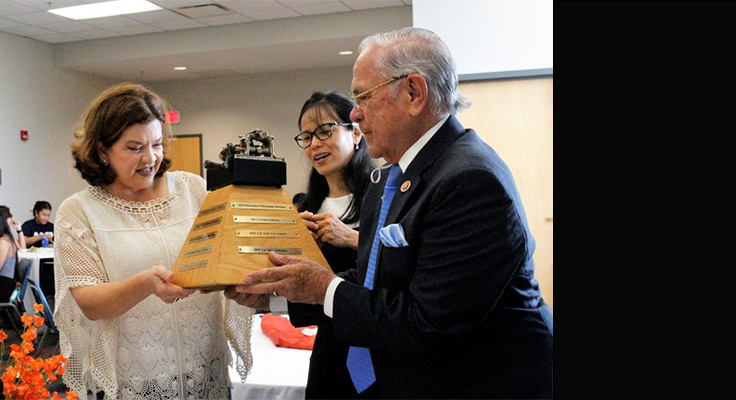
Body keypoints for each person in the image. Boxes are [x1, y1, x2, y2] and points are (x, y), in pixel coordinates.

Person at [231, 28, 553, 399]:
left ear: (414, 93)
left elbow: (426, 322)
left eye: (363, 96)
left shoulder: (469, 179)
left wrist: (322, 287)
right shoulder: (394, 175)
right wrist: (280, 296)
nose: (355, 113)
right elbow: (377, 277)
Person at [53, 83, 254, 399]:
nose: (151, 158)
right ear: (102, 150)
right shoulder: (79, 211)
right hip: (135, 378)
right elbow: (89, 301)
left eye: (157, 144)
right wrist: (144, 284)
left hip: (205, 367)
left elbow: (228, 256)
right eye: (134, 148)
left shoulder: (193, 190)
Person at [290, 91, 376, 398]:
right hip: (329, 350)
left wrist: (351, 238)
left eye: (325, 131)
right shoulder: (302, 206)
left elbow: (395, 271)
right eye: (307, 136)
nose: (315, 144)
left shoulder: (383, 197)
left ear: (355, 133)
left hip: (379, 348)